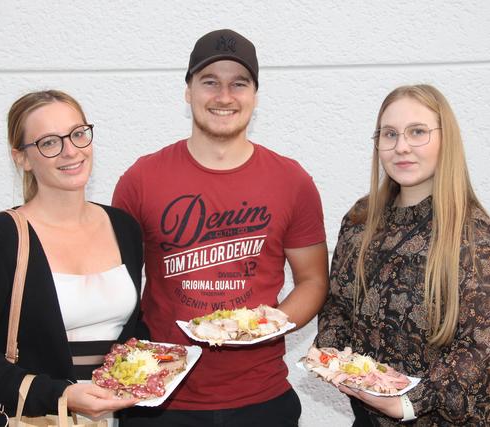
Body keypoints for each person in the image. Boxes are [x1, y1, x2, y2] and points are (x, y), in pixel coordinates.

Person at [112, 29, 329, 427]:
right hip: (162, 399)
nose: (224, 96)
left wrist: (266, 327)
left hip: (262, 399)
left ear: (255, 96)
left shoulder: (291, 180)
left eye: (238, 84)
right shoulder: (141, 179)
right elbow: (115, 286)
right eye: (209, 82)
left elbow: (313, 280)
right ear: (188, 91)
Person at [0, 90, 148, 426]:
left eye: (78, 134)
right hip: (32, 419)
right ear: (21, 158)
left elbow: (131, 330)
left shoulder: (123, 227)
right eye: (50, 142)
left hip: (107, 419)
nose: (71, 150)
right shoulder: (1, 237)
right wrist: (60, 394)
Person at [315, 84, 490, 426]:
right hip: (370, 417)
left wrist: (409, 404)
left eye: (418, 132)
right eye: (389, 134)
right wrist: (333, 355)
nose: (401, 147)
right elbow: (338, 305)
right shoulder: (359, 221)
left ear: (445, 139)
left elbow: (482, 348)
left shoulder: (475, 236)